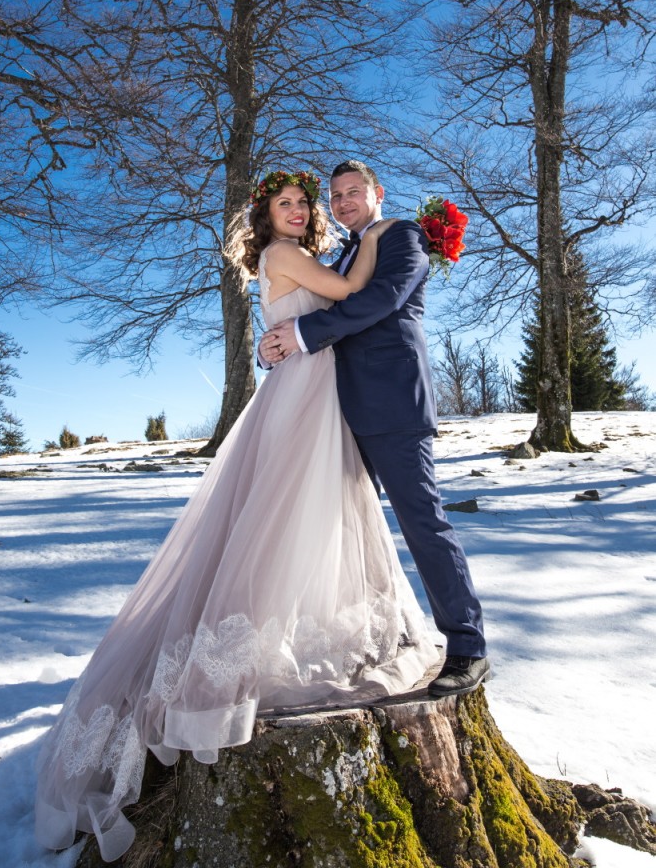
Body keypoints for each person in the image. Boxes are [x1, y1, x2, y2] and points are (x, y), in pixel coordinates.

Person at [35, 170, 438, 864]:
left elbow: (331, 304)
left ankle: (305, 613)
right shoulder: (291, 255)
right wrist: (381, 234)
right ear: (265, 217)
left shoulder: (315, 253)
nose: (302, 209)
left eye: (304, 203)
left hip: (321, 394)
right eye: (288, 203)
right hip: (302, 396)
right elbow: (346, 294)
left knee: (313, 510)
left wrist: (371, 242)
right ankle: (245, 640)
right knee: (278, 514)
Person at [261, 160, 489, 698]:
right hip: (335, 414)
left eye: (353, 192)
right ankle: (354, 638)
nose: (343, 202)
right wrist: (276, 342)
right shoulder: (339, 254)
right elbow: (314, 301)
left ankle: (467, 644)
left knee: (422, 523)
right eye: (336, 195)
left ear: (377, 193)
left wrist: (302, 330)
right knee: (338, 527)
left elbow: (379, 301)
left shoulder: (402, 236)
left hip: (392, 406)